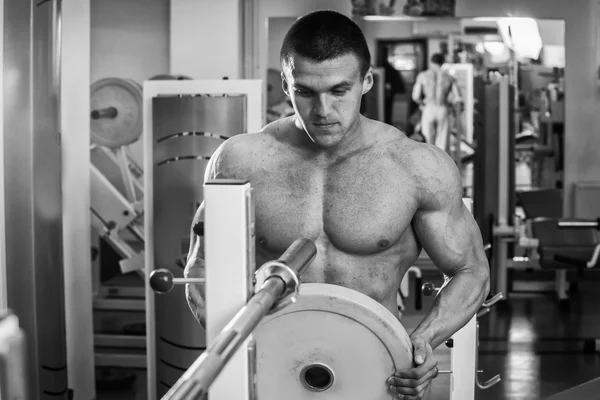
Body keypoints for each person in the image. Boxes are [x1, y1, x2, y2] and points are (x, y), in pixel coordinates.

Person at [185, 10, 490, 399]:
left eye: (339, 91)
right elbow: (201, 268)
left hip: (378, 370)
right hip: (270, 368)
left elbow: (471, 269)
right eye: (306, 92)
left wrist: (418, 345)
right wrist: (236, 347)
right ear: (285, 84)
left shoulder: (416, 166)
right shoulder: (241, 161)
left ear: (367, 81)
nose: (323, 111)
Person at [412, 53, 463, 152]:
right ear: (442, 62)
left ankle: (428, 164)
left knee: (427, 140)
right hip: (442, 108)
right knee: (442, 141)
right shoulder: (449, 77)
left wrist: (422, 104)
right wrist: (451, 106)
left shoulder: (423, 75)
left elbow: (415, 96)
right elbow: (457, 98)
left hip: (429, 108)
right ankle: (440, 165)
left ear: (431, 62)